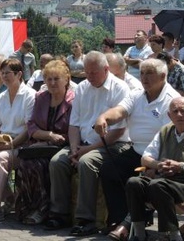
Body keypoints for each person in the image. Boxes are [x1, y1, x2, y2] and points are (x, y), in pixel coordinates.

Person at [44, 51, 130, 234]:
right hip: (82, 142)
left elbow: (119, 131)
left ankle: (86, 219)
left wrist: (85, 150)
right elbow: (74, 124)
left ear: (106, 69)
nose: (89, 76)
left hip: (111, 144)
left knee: (86, 163)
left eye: (93, 72)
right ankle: (59, 214)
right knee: (57, 162)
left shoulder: (120, 89)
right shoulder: (82, 88)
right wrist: (75, 148)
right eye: (86, 72)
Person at [95, 58, 180, 241]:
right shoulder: (137, 94)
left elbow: (170, 138)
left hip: (160, 155)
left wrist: (154, 164)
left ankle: (131, 224)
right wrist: (104, 118)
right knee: (109, 169)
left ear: (163, 76)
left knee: (144, 181)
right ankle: (119, 220)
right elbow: (120, 111)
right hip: (136, 150)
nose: (144, 77)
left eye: (149, 73)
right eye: (142, 73)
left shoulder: (171, 100)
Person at [125, 97, 184, 241]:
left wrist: (182, 166)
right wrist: (159, 165)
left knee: (157, 185)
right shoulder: (164, 131)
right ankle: (139, 234)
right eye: (175, 111)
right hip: (161, 184)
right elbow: (145, 158)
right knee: (134, 182)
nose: (179, 115)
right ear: (169, 115)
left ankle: (171, 235)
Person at [14, 59, 73, 225]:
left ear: (66, 79)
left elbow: (75, 130)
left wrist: (55, 138)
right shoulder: (41, 97)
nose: (52, 83)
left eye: (56, 78)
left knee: (38, 165)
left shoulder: (73, 100)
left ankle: (43, 210)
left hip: (64, 146)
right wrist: (48, 136)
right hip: (41, 145)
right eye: (49, 79)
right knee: (25, 162)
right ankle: (28, 208)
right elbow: (31, 125)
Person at [0, 58, 36, 223]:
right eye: (2, 73)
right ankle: (10, 199)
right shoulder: (1, 97)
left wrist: (9, 145)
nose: (4, 76)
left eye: (7, 73)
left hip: (22, 145)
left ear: (19, 74)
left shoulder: (30, 96)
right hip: (2, 143)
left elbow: (28, 129)